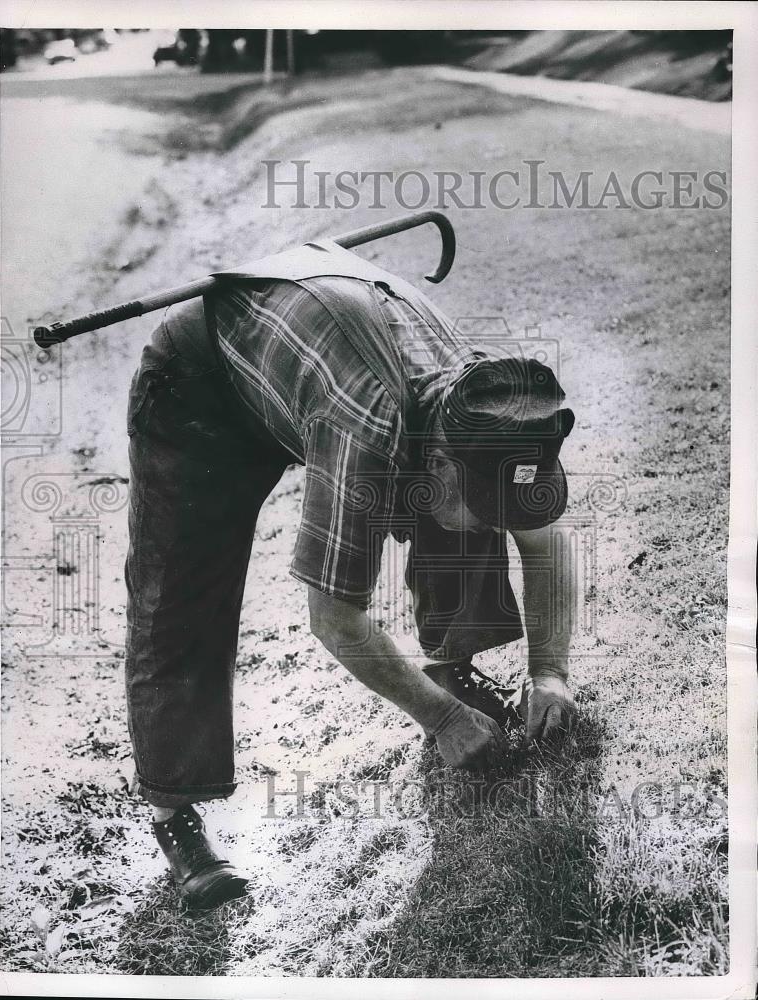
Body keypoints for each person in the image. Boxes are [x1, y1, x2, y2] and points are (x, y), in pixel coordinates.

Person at [124, 239, 578, 910]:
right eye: (486, 507)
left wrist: (549, 671)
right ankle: (177, 814)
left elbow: (545, 541)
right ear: (443, 465)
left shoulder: (491, 408)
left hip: (318, 350)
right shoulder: (365, 426)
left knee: (459, 523)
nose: (496, 528)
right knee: (181, 597)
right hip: (200, 385)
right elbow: (333, 615)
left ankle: (451, 662)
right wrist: (441, 720)